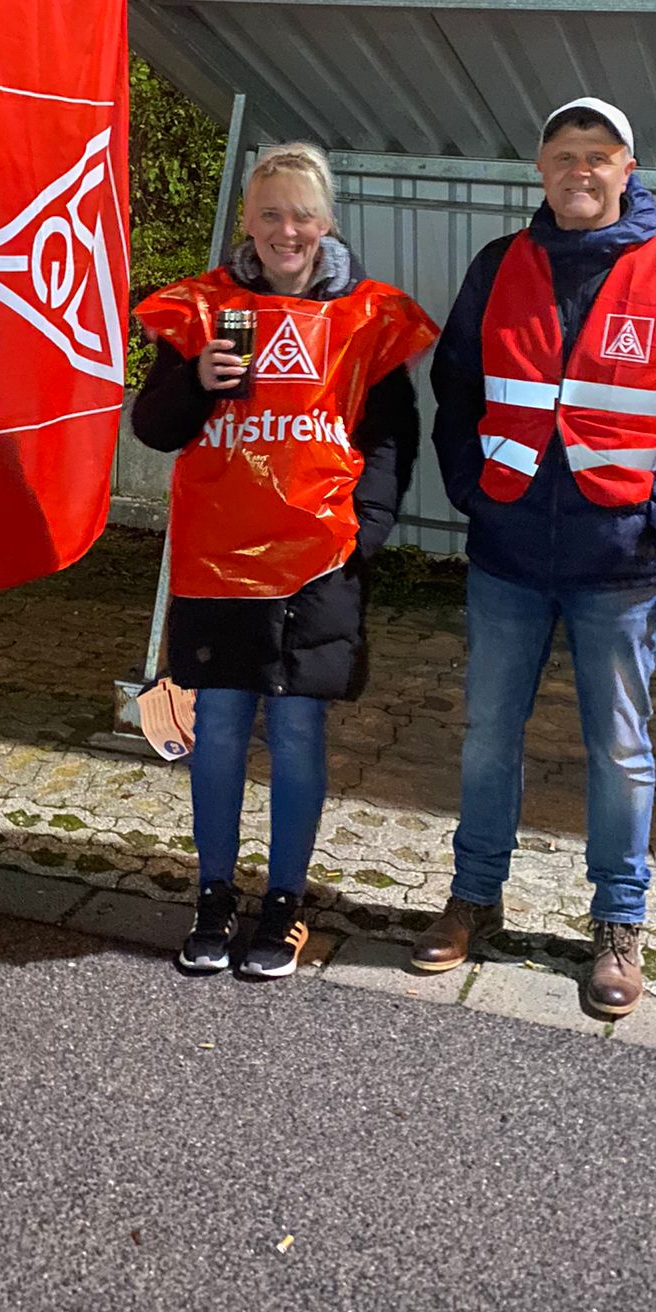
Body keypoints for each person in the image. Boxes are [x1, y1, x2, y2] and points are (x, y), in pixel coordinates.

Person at [413, 97, 656, 1018]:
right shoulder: (500, 266)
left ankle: (617, 925)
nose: (581, 170)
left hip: (622, 563)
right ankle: (473, 899)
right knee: (488, 737)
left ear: (627, 169)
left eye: (598, 156)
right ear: (541, 169)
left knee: (620, 749)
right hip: (509, 554)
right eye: (564, 154)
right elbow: (455, 390)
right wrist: (471, 488)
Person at [132, 142, 437, 980]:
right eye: (270, 213)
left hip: (318, 565)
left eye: (303, 214)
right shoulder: (205, 311)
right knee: (220, 727)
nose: (287, 230)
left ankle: (285, 903)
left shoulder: (368, 318)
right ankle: (214, 896)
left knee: (298, 729)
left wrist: (366, 530)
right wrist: (195, 378)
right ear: (248, 221)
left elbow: (391, 438)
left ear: (327, 222)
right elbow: (154, 427)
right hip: (219, 559)